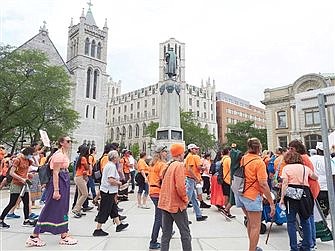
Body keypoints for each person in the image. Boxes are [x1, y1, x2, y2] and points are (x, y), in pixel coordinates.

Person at [25, 136, 77, 247]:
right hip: (59, 183)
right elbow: (55, 173)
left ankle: (64, 234)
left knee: (63, 208)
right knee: (49, 207)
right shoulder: (58, 155)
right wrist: (56, 190)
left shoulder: (62, 154)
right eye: (68, 141)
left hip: (64, 181)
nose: (70, 143)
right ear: (61, 143)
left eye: (70, 141)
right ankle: (34, 236)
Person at [234, 138, 275, 251]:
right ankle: (252, 249)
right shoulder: (259, 162)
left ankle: (253, 246)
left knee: (250, 223)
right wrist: (271, 202)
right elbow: (263, 183)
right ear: (259, 148)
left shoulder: (244, 158)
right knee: (255, 226)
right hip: (252, 195)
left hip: (241, 193)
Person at [279, 151, 318, 251]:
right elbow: (314, 177)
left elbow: (285, 183)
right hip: (305, 193)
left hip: (291, 194)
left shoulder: (286, 168)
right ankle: (307, 245)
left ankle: (294, 247)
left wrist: (282, 198)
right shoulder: (305, 168)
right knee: (305, 220)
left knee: (291, 221)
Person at [158, 143, 192, 251]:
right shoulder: (179, 165)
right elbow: (180, 186)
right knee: (185, 233)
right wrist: (185, 199)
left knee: (166, 234)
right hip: (176, 205)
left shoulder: (168, 165)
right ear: (180, 154)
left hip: (165, 203)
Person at [92, 150, 128, 236]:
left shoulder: (108, 165)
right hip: (108, 191)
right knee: (104, 210)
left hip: (108, 191)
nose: (119, 158)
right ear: (115, 158)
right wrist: (119, 183)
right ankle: (98, 229)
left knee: (113, 209)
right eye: (118, 156)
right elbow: (110, 180)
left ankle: (119, 225)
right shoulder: (111, 166)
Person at [0, 147, 35, 229]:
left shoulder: (28, 160)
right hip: (16, 184)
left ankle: (26, 220)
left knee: (26, 202)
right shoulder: (17, 160)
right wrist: (21, 178)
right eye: (30, 154)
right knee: (12, 202)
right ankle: (1, 220)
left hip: (24, 184)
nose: (31, 156)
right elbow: (12, 173)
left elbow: (29, 168)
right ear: (26, 153)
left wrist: (28, 175)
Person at [148, 145, 168, 250]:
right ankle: (153, 241)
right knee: (159, 217)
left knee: (160, 215)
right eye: (164, 151)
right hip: (158, 191)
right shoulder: (162, 165)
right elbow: (164, 178)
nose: (166, 153)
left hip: (152, 191)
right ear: (160, 153)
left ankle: (167, 231)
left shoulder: (152, 164)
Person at [310, 142, 335, 218]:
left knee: (315, 210)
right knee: (324, 209)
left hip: (313, 188)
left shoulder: (310, 159)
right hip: (326, 188)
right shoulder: (328, 160)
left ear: (317, 150)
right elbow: (333, 175)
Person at [184, 143, 209, 221]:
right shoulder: (191, 157)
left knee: (193, 199)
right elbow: (190, 169)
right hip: (191, 179)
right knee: (187, 199)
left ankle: (199, 215)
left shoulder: (189, 156)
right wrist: (196, 178)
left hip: (191, 179)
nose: (197, 150)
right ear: (191, 149)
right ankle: (183, 218)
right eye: (195, 149)